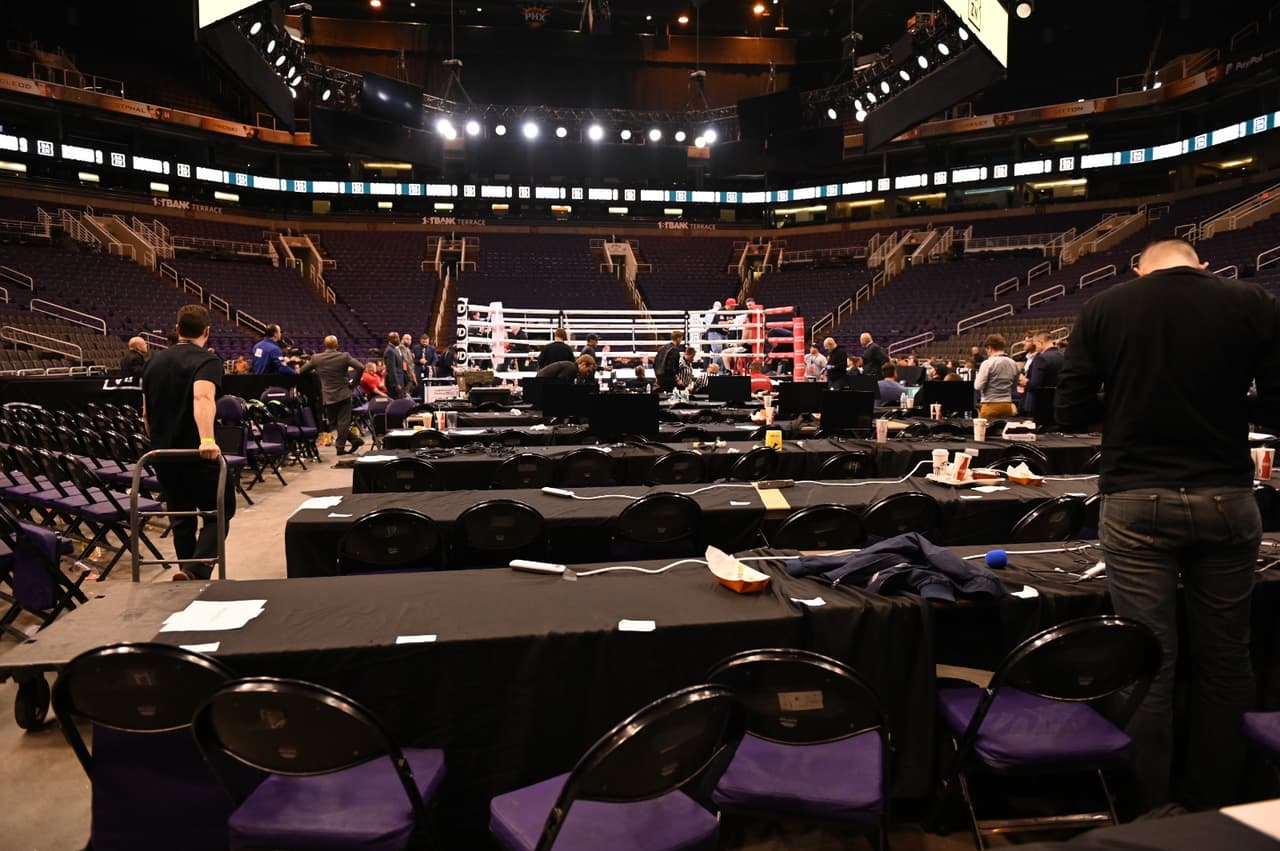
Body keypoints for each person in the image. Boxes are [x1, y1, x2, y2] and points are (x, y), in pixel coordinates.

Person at [1056, 238, 1280, 812]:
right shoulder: (1252, 301)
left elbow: (1069, 411)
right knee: (1227, 658)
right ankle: (1217, 802)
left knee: (1149, 658)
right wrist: (1229, 403)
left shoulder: (1106, 307)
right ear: (1201, 264)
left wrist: (1132, 399)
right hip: (1227, 497)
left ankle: (1151, 807)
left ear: (1139, 268)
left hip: (1137, 498)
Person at [141, 304, 235, 581]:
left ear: (177, 329)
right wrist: (207, 439)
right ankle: (196, 571)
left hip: (163, 453)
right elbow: (202, 397)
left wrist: (156, 441)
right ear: (207, 331)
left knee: (181, 518)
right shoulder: (207, 361)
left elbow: (146, 412)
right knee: (219, 513)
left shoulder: (152, 362)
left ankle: (187, 572)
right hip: (197, 453)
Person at [299, 336, 366, 456]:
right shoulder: (344, 356)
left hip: (328, 395)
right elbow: (361, 367)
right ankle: (354, 440)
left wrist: (317, 373)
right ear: (337, 345)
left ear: (325, 345)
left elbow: (302, 371)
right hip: (344, 393)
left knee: (334, 423)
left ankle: (340, 447)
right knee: (342, 422)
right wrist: (353, 383)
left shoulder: (316, 358)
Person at [973, 334, 1019, 419]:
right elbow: (1014, 387)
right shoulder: (1013, 363)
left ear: (989, 348)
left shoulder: (987, 363)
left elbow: (978, 386)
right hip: (1007, 405)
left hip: (990, 406)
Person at [1022, 332, 1063, 421]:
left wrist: (1024, 381)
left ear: (1041, 342)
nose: (1035, 347)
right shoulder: (1063, 356)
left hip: (1040, 406)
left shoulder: (1041, 358)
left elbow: (1035, 385)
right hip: (1057, 404)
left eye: (1035, 344)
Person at [382, 332, 408, 398]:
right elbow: (391, 369)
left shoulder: (395, 349)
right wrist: (396, 384)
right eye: (395, 338)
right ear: (390, 339)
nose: (398, 339)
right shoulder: (390, 351)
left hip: (400, 380)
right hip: (395, 384)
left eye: (398, 337)